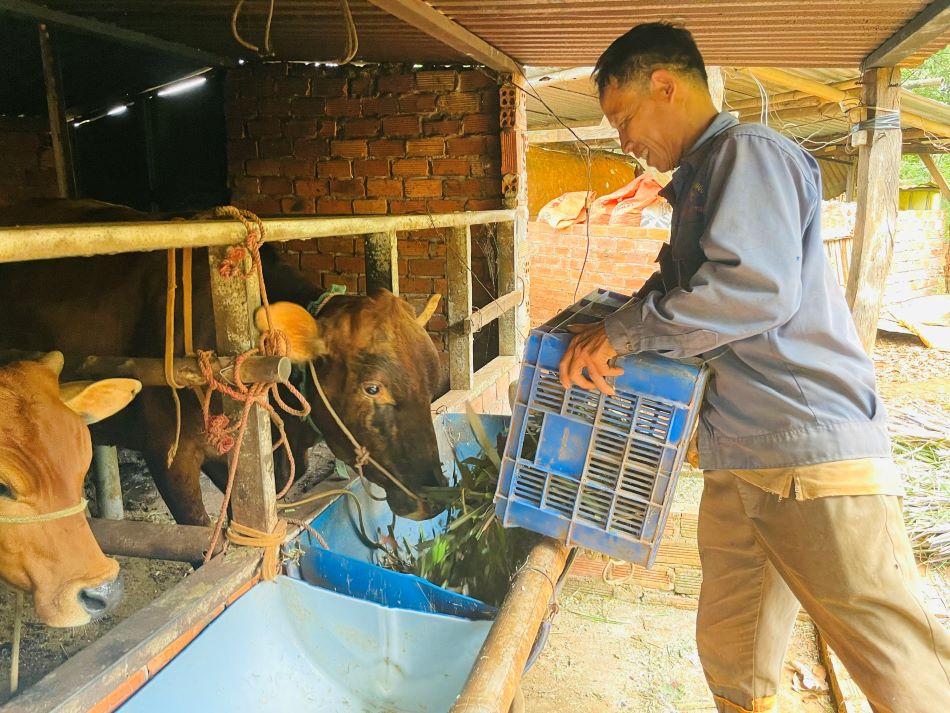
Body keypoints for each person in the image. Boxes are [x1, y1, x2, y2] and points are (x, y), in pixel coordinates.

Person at [558, 22, 950, 713]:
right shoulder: (698, 180)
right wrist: (609, 328)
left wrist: (619, 335)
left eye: (623, 119)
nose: (624, 141)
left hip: (808, 453)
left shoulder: (749, 154)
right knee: (734, 649)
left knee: (896, 662)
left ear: (665, 86)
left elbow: (751, 292)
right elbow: (677, 289)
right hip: (742, 454)